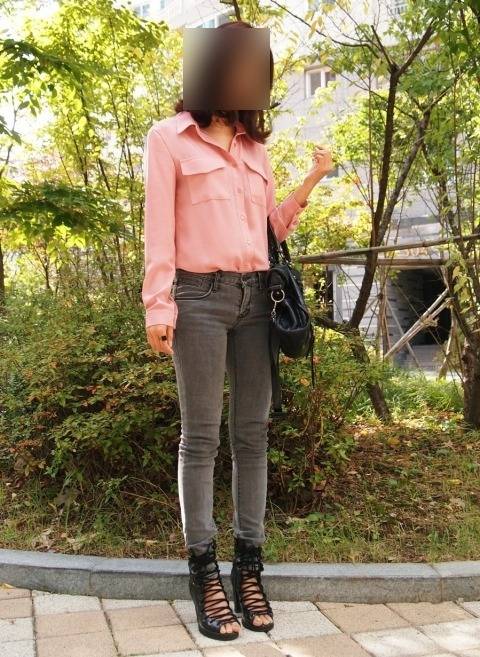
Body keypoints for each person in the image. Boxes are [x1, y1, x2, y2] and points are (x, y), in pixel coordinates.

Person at [142, 19, 333, 643]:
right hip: (197, 299)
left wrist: (310, 183)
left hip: (257, 300)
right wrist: (158, 305)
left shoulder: (255, 149)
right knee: (200, 438)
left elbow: (268, 231)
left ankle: (249, 567)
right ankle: (204, 572)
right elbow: (158, 229)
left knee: (253, 435)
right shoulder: (169, 138)